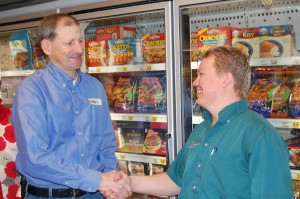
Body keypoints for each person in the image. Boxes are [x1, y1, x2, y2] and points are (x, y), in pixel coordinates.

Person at [105, 46, 294, 198]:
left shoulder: (261, 136)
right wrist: (129, 182)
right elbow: (176, 181)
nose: (195, 82)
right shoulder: (202, 129)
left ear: (226, 79)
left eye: (201, 74)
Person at [12, 13, 131, 199]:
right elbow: (35, 158)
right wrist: (97, 180)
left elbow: (106, 144)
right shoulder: (32, 90)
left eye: (81, 41)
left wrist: (112, 181)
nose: (79, 49)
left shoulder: (95, 87)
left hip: (96, 194)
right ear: (47, 47)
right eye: (69, 43)